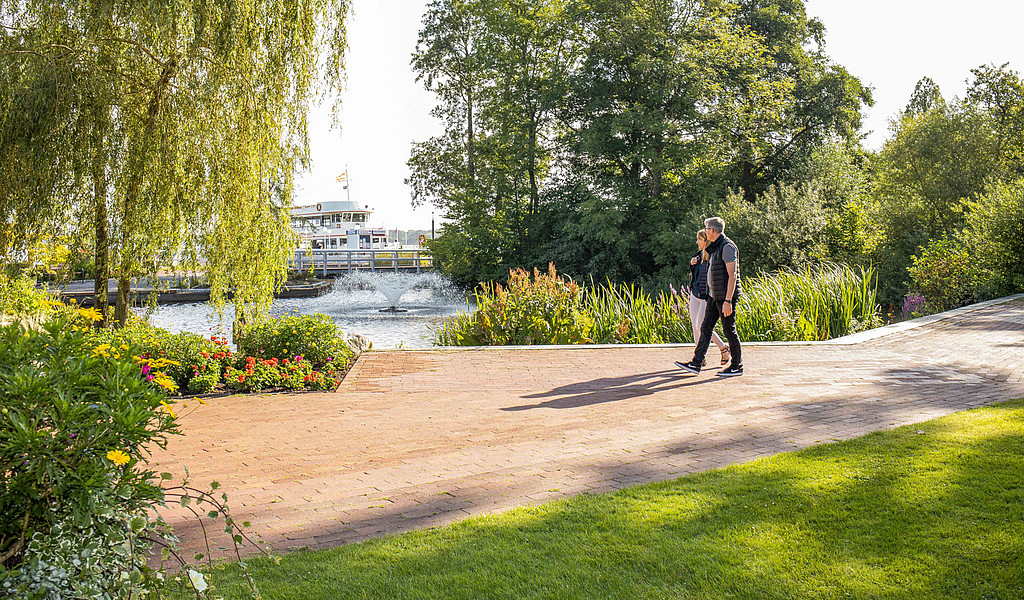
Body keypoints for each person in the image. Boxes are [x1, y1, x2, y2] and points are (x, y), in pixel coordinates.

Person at [675, 216, 743, 376]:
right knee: (705, 329)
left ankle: (737, 365)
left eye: (706, 229)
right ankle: (696, 363)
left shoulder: (727, 247)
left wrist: (728, 300)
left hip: (724, 298)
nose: (705, 232)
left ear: (712, 231)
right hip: (714, 296)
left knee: (729, 330)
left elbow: (732, 275)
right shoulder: (715, 247)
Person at [688, 229, 730, 366]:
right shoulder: (698, 256)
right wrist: (692, 265)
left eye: (699, 239)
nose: (696, 242)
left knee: (702, 326)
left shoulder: (712, 256)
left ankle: (723, 348)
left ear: (705, 241)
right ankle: (699, 358)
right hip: (695, 293)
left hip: (706, 296)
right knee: (695, 326)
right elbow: (697, 275)